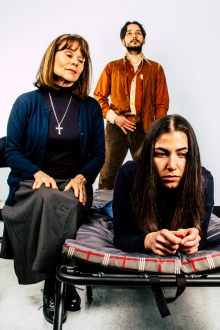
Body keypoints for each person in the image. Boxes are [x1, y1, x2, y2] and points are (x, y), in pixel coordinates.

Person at [0, 34, 105, 324]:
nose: (75, 62)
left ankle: (60, 279)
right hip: (31, 185)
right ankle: (56, 282)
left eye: (81, 60)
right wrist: (37, 172)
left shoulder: (91, 107)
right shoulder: (26, 103)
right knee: (50, 198)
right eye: (69, 54)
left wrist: (83, 176)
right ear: (52, 57)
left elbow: (99, 153)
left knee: (69, 201)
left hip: (72, 185)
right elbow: (12, 150)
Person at [113, 114, 214, 255]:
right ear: (149, 155)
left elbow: (202, 237)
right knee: (107, 209)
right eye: (161, 154)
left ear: (191, 156)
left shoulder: (203, 180)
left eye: (182, 154)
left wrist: (195, 240)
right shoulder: (128, 174)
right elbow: (121, 237)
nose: (172, 166)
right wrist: (147, 241)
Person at [94, 21, 169, 190]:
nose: (134, 36)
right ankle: (101, 209)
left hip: (145, 127)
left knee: (148, 172)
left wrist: (156, 131)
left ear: (144, 40)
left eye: (138, 33)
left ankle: (148, 211)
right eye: (129, 33)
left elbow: (161, 103)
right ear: (123, 41)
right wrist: (115, 118)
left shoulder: (156, 69)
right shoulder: (112, 67)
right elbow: (98, 97)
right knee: (107, 173)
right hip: (116, 127)